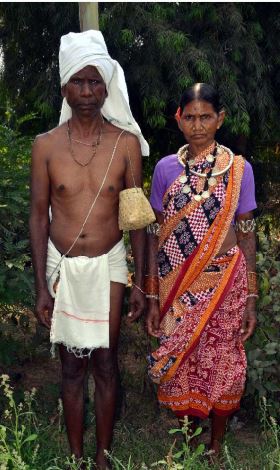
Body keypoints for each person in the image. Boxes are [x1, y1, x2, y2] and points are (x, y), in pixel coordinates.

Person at [29, 30, 148, 469]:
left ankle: (102, 457)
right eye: (78, 82)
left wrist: (142, 283)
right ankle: (76, 457)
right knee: (71, 368)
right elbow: (39, 217)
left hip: (111, 264)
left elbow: (135, 219)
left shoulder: (126, 145)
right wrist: (42, 285)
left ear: (107, 87)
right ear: (64, 87)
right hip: (63, 265)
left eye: (95, 82)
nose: (86, 91)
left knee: (106, 362)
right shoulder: (45, 146)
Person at [146, 83, 257, 461]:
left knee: (223, 358)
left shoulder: (239, 170)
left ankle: (215, 445)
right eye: (190, 117)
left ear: (220, 119)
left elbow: (246, 231)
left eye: (205, 116)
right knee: (182, 362)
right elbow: (156, 233)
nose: (197, 125)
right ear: (179, 120)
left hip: (226, 280)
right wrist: (148, 292)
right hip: (176, 284)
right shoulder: (165, 170)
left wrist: (252, 295)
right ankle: (189, 439)